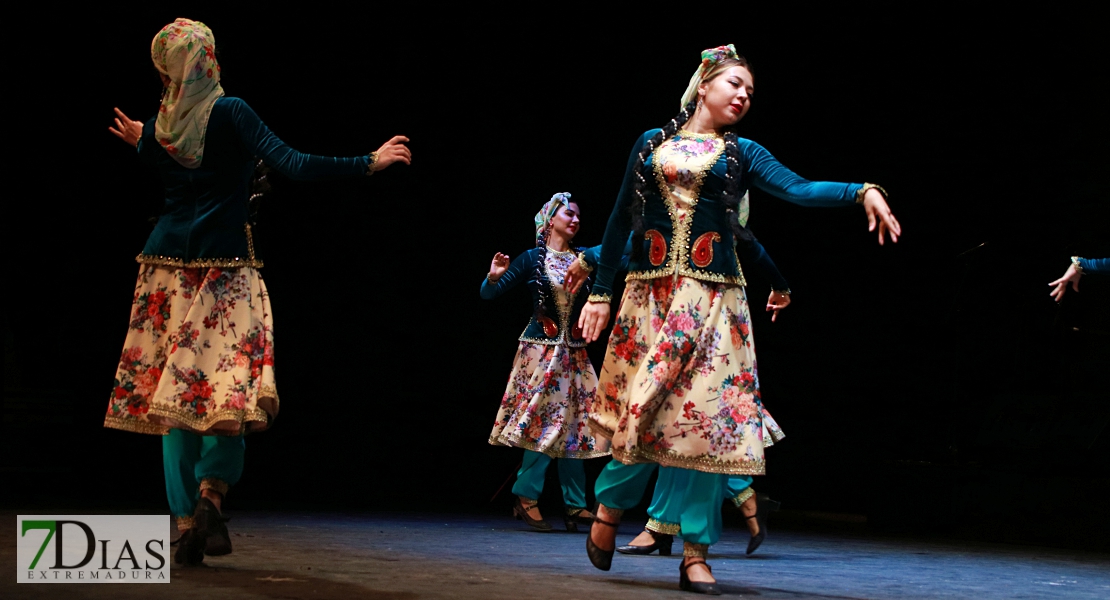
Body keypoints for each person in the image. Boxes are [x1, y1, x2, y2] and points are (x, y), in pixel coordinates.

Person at [576, 44, 901, 594]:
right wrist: (600, 293)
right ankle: (609, 511)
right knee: (642, 411)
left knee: (709, 426)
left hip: (714, 304)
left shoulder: (743, 153)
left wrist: (862, 190)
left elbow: (798, 188)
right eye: (735, 84)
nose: (744, 95)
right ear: (703, 86)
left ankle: (697, 553)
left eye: (750, 91)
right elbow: (617, 222)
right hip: (650, 299)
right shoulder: (651, 143)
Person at [104, 18, 410, 565]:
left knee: (177, 400)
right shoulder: (230, 110)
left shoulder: (161, 124)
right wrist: (368, 162)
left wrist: (143, 143)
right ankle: (210, 499)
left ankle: (183, 525)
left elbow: (174, 174)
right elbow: (292, 163)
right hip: (224, 273)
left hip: (166, 274)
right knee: (228, 391)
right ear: (207, 62)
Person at [482, 193, 619, 532]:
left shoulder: (584, 258)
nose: (574, 219)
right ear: (550, 219)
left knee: (576, 427)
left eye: (577, 216)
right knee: (541, 424)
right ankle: (526, 496)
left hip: (573, 355)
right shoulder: (532, 259)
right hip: (541, 353)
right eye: (567, 213)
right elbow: (488, 295)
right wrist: (494, 277)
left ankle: (574, 505)